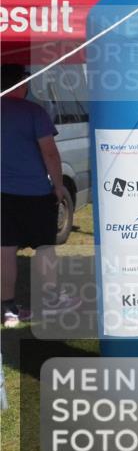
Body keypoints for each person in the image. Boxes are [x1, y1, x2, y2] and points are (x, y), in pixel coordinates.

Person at [1, 64, 73, 327]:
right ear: (20, 83)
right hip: (35, 192)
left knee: (5, 250)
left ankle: (8, 309)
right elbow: (50, 153)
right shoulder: (34, 112)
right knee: (44, 249)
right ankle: (52, 299)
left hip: (3, 195)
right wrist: (58, 185)